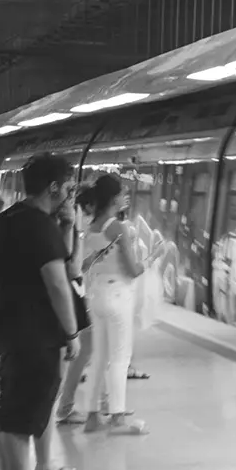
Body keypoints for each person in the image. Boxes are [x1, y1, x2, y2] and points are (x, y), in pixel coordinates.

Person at [0, 153, 83, 470]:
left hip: (9, 328)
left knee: (12, 410)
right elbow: (59, 284)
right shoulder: (39, 227)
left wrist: (67, 225)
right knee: (20, 415)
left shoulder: (10, 219)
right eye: (69, 187)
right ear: (54, 187)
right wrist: (72, 332)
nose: (72, 193)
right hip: (35, 333)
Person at [57, 176, 149, 435]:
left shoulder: (93, 226)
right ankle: (118, 418)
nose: (127, 196)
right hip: (118, 296)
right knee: (120, 358)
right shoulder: (118, 227)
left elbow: (86, 264)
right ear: (113, 198)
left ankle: (93, 416)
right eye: (123, 192)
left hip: (96, 296)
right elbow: (132, 270)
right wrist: (151, 260)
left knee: (99, 358)